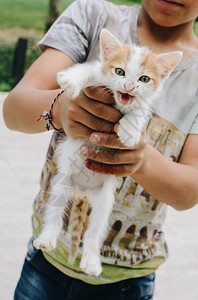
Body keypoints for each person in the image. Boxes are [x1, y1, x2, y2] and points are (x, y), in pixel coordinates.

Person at [3, 0, 198, 299]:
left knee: (103, 201)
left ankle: (90, 248)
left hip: (130, 278)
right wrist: (59, 109)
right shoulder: (91, 16)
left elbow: (189, 193)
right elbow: (13, 110)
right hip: (43, 264)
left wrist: (139, 158)